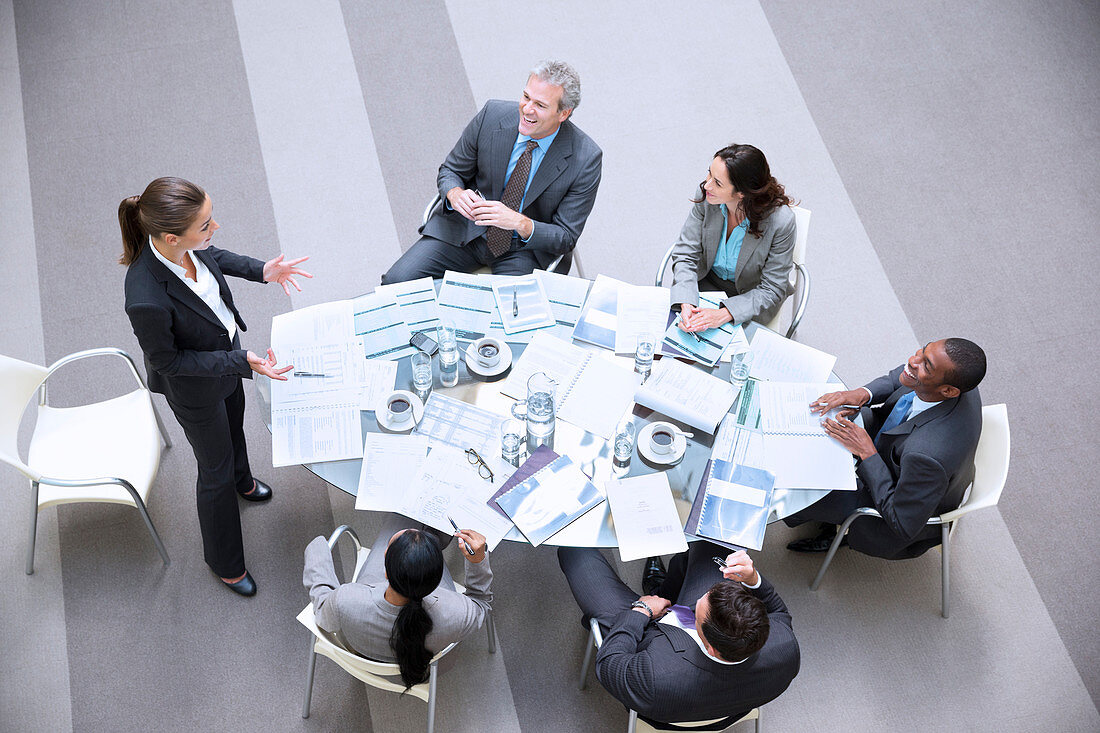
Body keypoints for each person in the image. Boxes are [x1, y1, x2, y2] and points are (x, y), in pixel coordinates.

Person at [119, 177, 311, 596]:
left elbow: (214, 255)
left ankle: (244, 481)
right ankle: (225, 562)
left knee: (235, 425)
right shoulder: (144, 297)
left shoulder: (185, 248)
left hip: (226, 362)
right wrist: (239, 362)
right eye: (205, 224)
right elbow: (167, 361)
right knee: (214, 471)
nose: (215, 228)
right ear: (172, 237)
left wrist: (262, 270)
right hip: (194, 389)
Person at [381, 60, 602, 284]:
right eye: (526, 97)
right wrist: (455, 194)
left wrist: (519, 223)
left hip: (523, 250)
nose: (527, 110)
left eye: (540, 105)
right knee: (396, 283)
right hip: (466, 228)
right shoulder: (491, 115)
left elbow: (565, 237)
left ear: (563, 113)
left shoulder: (586, 159)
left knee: (509, 315)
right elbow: (451, 170)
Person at [558, 543, 799, 728]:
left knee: (575, 553)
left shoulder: (654, 677)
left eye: (698, 611)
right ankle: (664, 591)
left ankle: (656, 596)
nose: (697, 599)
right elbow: (778, 611)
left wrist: (641, 611)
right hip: (731, 696)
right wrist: (753, 578)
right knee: (712, 544)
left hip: (648, 640)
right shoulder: (784, 647)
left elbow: (610, 662)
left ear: (712, 648)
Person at [785, 338, 987, 557]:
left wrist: (867, 453)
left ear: (948, 390)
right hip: (894, 444)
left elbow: (902, 522)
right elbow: (899, 379)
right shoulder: (954, 377)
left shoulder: (928, 456)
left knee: (800, 488)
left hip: (893, 500)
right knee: (822, 421)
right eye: (922, 351)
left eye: (926, 365)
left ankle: (821, 522)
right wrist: (863, 393)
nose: (912, 360)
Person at [303, 514, 492, 688]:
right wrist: (478, 561)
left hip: (363, 645)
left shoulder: (346, 601)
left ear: (385, 571)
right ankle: (431, 540)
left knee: (402, 517)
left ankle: (427, 540)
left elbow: (322, 610)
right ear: (438, 580)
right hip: (430, 640)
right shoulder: (455, 613)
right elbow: (481, 604)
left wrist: (317, 547)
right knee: (422, 538)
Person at [670, 144, 796, 332]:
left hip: (750, 300)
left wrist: (724, 314)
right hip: (704, 285)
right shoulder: (707, 197)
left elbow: (772, 288)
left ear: (742, 192)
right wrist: (687, 301)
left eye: (718, 183)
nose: (707, 185)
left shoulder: (781, 222)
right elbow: (686, 253)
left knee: (731, 359)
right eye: (709, 173)